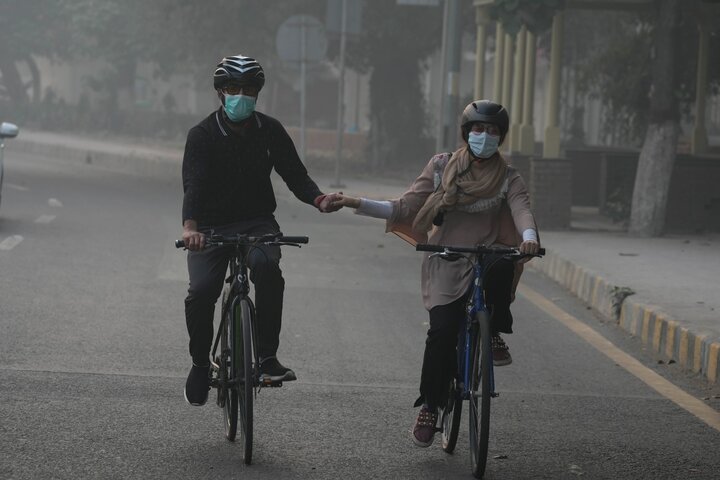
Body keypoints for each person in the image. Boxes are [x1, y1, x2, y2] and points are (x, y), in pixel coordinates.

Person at [332, 100, 539, 447]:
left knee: (505, 263)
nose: (484, 136)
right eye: (477, 129)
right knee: (441, 333)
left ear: (500, 137)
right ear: (465, 132)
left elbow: (522, 210)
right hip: (445, 259)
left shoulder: (508, 176)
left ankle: (494, 330)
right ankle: (429, 404)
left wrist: (530, 238)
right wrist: (353, 202)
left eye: (492, 131)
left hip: (487, 255)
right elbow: (405, 207)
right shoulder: (442, 167)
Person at [181, 54, 343, 406]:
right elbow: (193, 184)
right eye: (234, 88)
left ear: (258, 93)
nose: (241, 95)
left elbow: (295, 174)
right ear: (221, 93)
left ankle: (268, 357)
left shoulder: (270, 130)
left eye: (249, 89)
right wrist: (191, 228)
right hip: (209, 226)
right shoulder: (202, 135)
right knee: (202, 291)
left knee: (268, 268)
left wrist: (318, 199)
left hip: (257, 221)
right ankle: (198, 364)